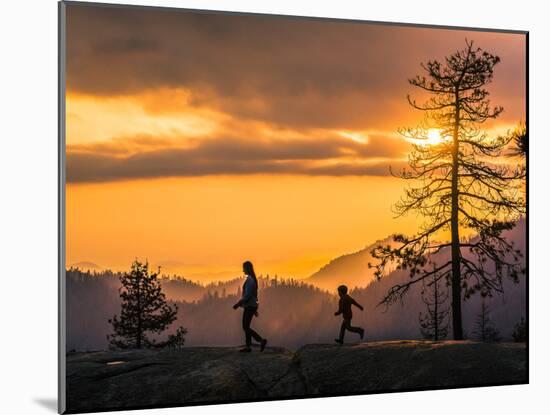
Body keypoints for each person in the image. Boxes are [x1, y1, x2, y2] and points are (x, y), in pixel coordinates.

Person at [233, 261, 268, 352]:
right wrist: (254, 308)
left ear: (247, 268)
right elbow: (253, 295)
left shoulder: (250, 280)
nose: (243, 270)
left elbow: (248, 295)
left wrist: (238, 303)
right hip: (251, 306)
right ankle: (248, 346)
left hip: (249, 306)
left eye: (244, 268)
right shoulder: (251, 279)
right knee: (246, 326)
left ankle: (261, 341)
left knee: (245, 327)